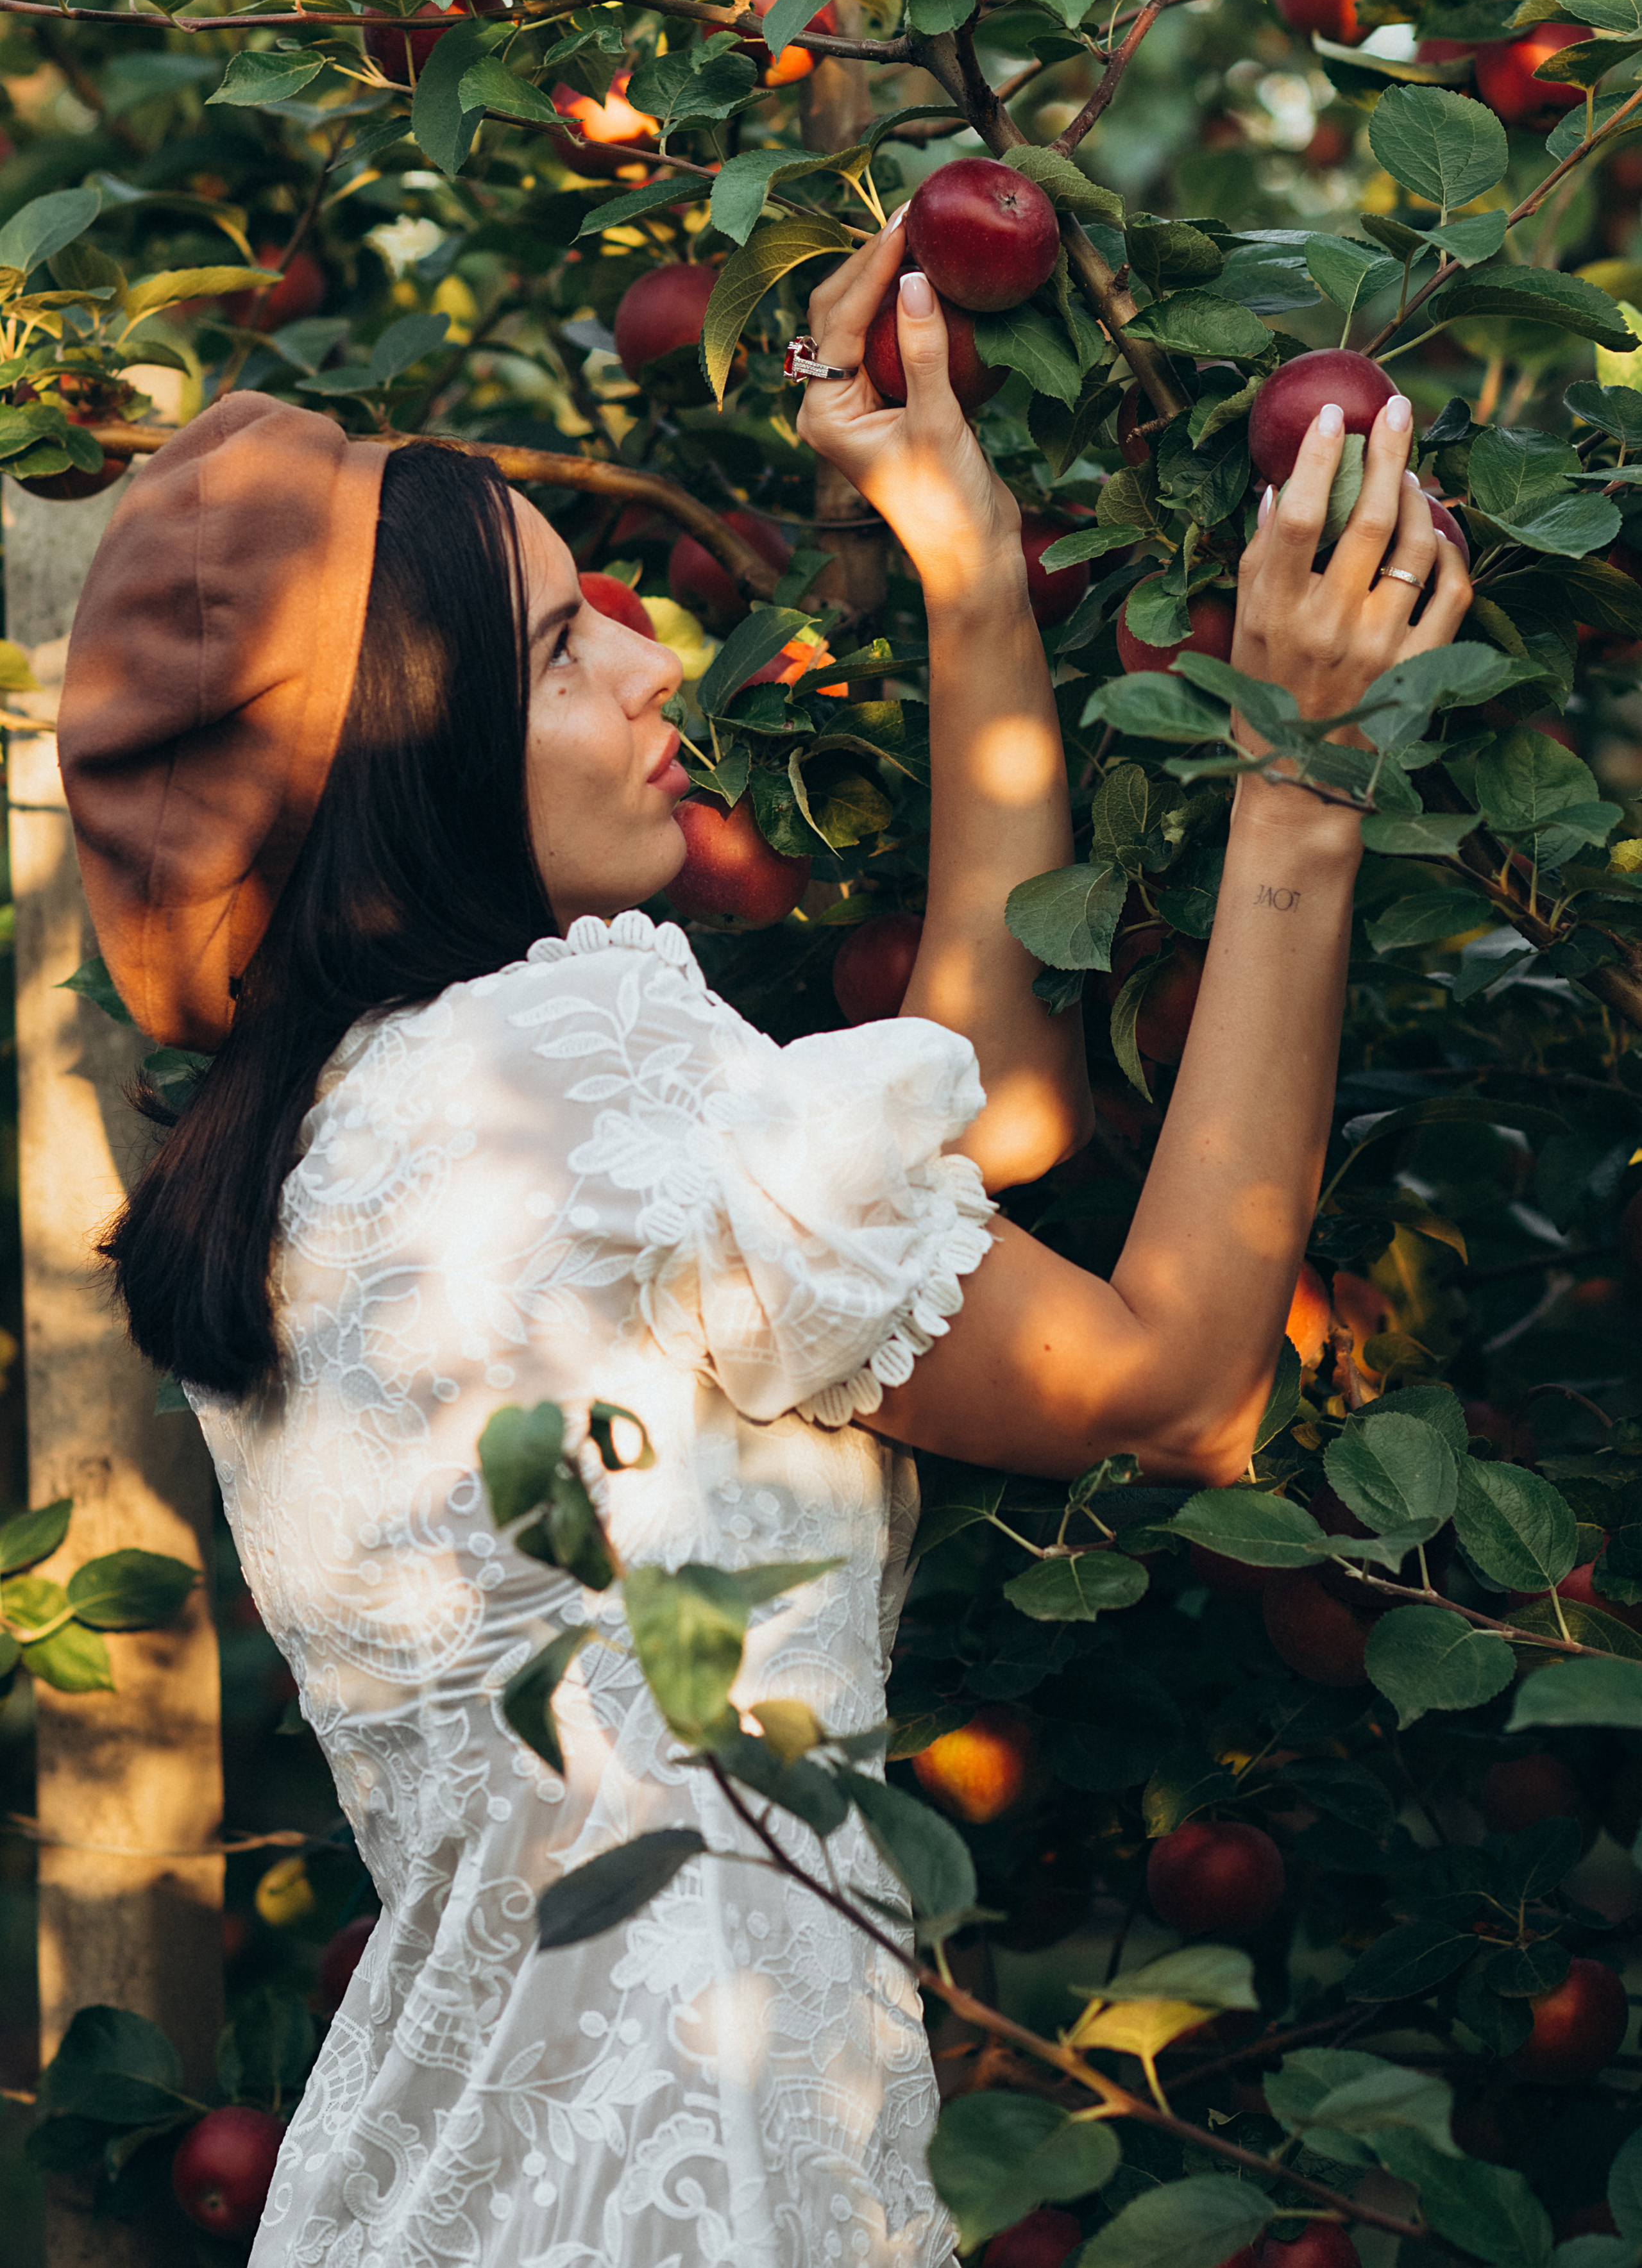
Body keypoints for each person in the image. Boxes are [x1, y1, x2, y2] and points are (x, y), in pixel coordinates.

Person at [56, 208, 1468, 2268]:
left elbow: (971, 1115)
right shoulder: (563, 1063)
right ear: (405, 759)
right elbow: (1178, 1384)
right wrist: (1301, 771)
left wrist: (971, 571)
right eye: (558, 647)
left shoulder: (322, 1162)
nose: (650, 658)